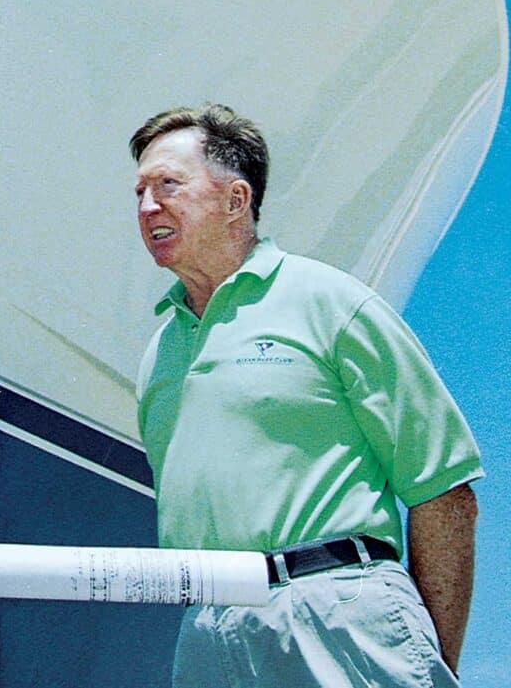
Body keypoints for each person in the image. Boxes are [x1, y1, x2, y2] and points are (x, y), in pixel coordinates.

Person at [130, 103, 482, 687]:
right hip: (206, 635)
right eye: (139, 191)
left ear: (236, 200)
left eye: (168, 184)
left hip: (341, 612)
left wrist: (423, 662)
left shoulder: (332, 304)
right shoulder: (158, 354)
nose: (147, 207)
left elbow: (444, 491)